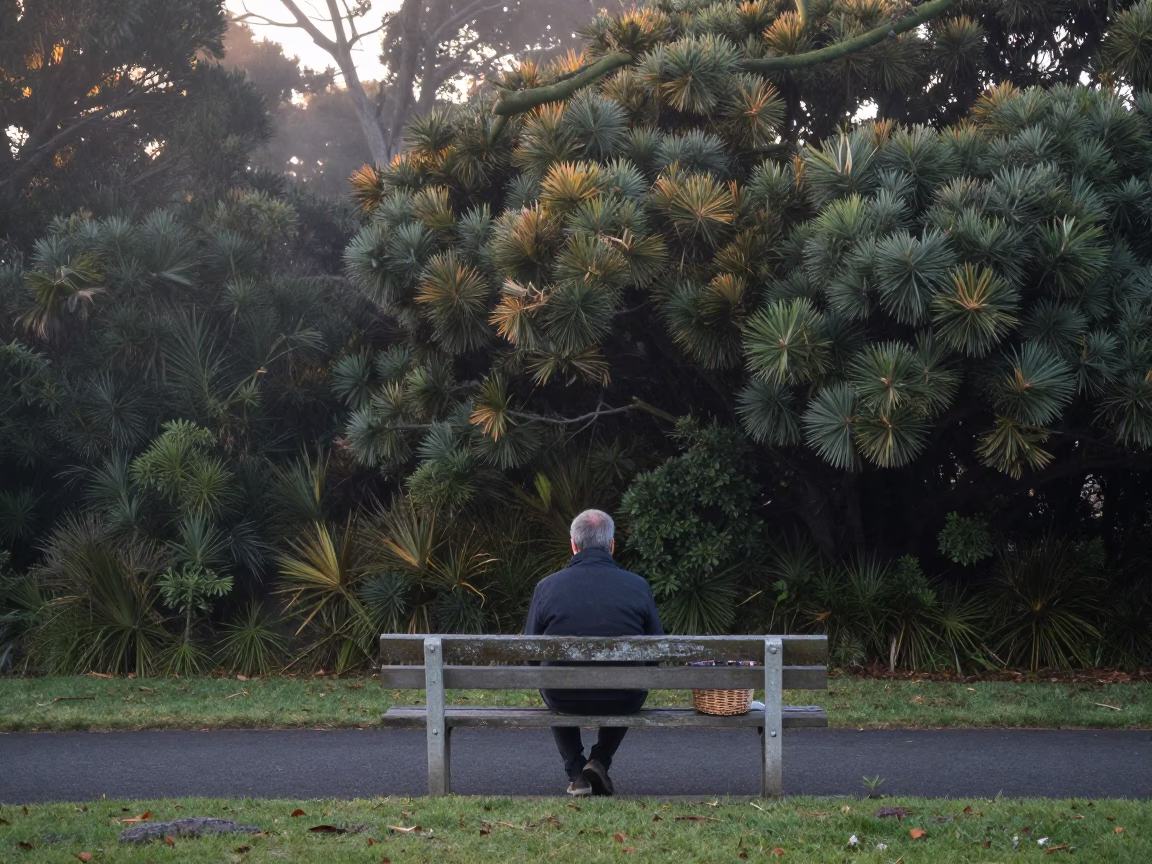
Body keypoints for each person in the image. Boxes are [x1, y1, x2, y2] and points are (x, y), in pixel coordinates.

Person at [524, 509, 664, 797]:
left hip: (565, 696)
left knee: (551, 677)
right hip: (623, 696)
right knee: (633, 683)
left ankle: (577, 773)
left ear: (573, 545)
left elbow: (532, 654)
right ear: (612, 545)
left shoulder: (547, 586)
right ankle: (599, 760)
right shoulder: (638, 586)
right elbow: (656, 651)